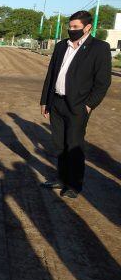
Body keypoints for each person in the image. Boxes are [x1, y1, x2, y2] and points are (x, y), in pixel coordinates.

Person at [39, 10, 111, 198]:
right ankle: (61, 178)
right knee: (59, 144)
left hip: (78, 107)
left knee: (74, 145)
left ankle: (74, 185)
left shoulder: (99, 48)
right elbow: (51, 75)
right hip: (57, 103)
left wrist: (89, 105)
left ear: (87, 28)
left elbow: (102, 82)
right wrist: (45, 100)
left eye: (75, 27)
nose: (71, 30)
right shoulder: (62, 45)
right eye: (70, 26)